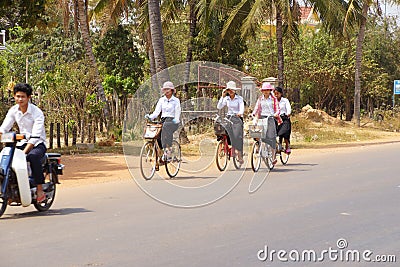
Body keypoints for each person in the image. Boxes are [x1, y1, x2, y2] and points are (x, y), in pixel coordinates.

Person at [0, 83, 47, 202]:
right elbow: (4, 128)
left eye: (23, 97)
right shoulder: (13, 110)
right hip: (21, 143)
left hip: (37, 144)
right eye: (17, 96)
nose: (20, 99)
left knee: (32, 157)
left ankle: (40, 189)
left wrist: (24, 153)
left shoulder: (37, 113)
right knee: (6, 159)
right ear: (14, 96)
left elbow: (35, 136)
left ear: (29, 97)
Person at [145, 81, 181, 160]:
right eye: (165, 89)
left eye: (168, 89)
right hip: (163, 120)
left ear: (172, 90)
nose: (166, 91)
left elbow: (178, 111)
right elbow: (157, 112)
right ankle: (160, 152)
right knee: (157, 132)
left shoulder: (176, 101)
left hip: (173, 120)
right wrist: (150, 117)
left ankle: (168, 150)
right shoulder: (161, 100)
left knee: (166, 127)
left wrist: (176, 119)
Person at [252, 82, 282, 165]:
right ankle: (259, 147)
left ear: (270, 91)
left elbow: (277, 109)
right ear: (262, 91)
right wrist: (254, 114)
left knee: (271, 138)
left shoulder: (273, 99)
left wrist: (276, 114)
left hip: (270, 118)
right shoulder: (260, 99)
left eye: (267, 90)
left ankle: (273, 157)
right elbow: (257, 108)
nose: (266, 92)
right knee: (257, 134)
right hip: (262, 118)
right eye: (264, 90)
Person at [217, 80, 245, 164]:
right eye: (229, 90)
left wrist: (240, 113)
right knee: (223, 132)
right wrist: (222, 96)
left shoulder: (239, 99)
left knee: (237, 136)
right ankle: (227, 147)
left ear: (235, 90)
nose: (231, 91)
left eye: (232, 90)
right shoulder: (226, 98)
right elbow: (219, 106)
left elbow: (241, 108)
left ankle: (239, 154)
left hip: (237, 118)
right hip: (228, 118)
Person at [274, 87, 292, 154]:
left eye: (277, 93)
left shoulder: (285, 101)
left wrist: (288, 114)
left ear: (281, 93)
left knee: (285, 133)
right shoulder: (273, 101)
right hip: (275, 118)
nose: (276, 95)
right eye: (275, 94)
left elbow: (288, 109)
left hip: (284, 119)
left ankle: (287, 146)